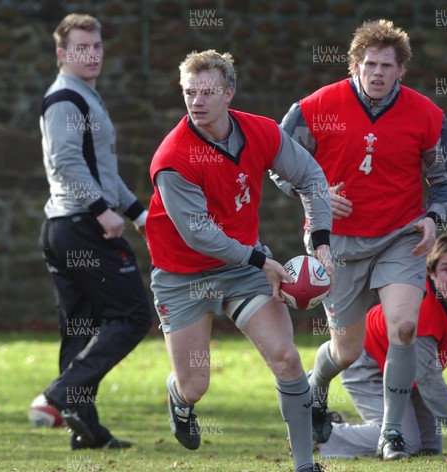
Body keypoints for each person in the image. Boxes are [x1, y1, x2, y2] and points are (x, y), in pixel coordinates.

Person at [276, 19, 447, 459]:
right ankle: (317, 384)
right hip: (336, 242)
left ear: (402, 70)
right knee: (347, 349)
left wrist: (434, 217)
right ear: (354, 66)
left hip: (401, 237)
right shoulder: (316, 107)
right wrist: (317, 196)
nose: (376, 72)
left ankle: (391, 434)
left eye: (386, 65)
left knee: (403, 326)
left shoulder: (426, 114)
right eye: (368, 64)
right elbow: (278, 160)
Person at [144, 49, 333, 472]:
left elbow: (311, 177)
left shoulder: (261, 132)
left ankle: (305, 465)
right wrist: (260, 260)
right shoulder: (172, 158)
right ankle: (179, 398)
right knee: (196, 384)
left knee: (285, 357)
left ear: (229, 92)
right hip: (183, 275)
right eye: (189, 92)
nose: (196, 101)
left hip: (241, 267)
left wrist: (320, 240)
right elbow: (200, 234)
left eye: (207, 92)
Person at [38, 13, 152, 450]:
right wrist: (103, 210)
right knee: (133, 315)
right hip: (79, 227)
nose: (92, 54)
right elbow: (67, 164)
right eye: (82, 48)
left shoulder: (86, 95)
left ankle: (84, 430)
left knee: (82, 327)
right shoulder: (66, 98)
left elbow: (104, 172)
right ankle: (61, 393)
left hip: (67, 226)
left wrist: (137, 212)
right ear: (62, 53)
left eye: (97, 46)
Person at [318, 232, 447, 458]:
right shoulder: (422, 307)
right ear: (431, 273)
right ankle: (320, 434)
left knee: (429, 448)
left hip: (407, 373)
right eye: (446, 269)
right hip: (368, 365)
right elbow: (429, 380)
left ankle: (337, 428)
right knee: (406, 442)